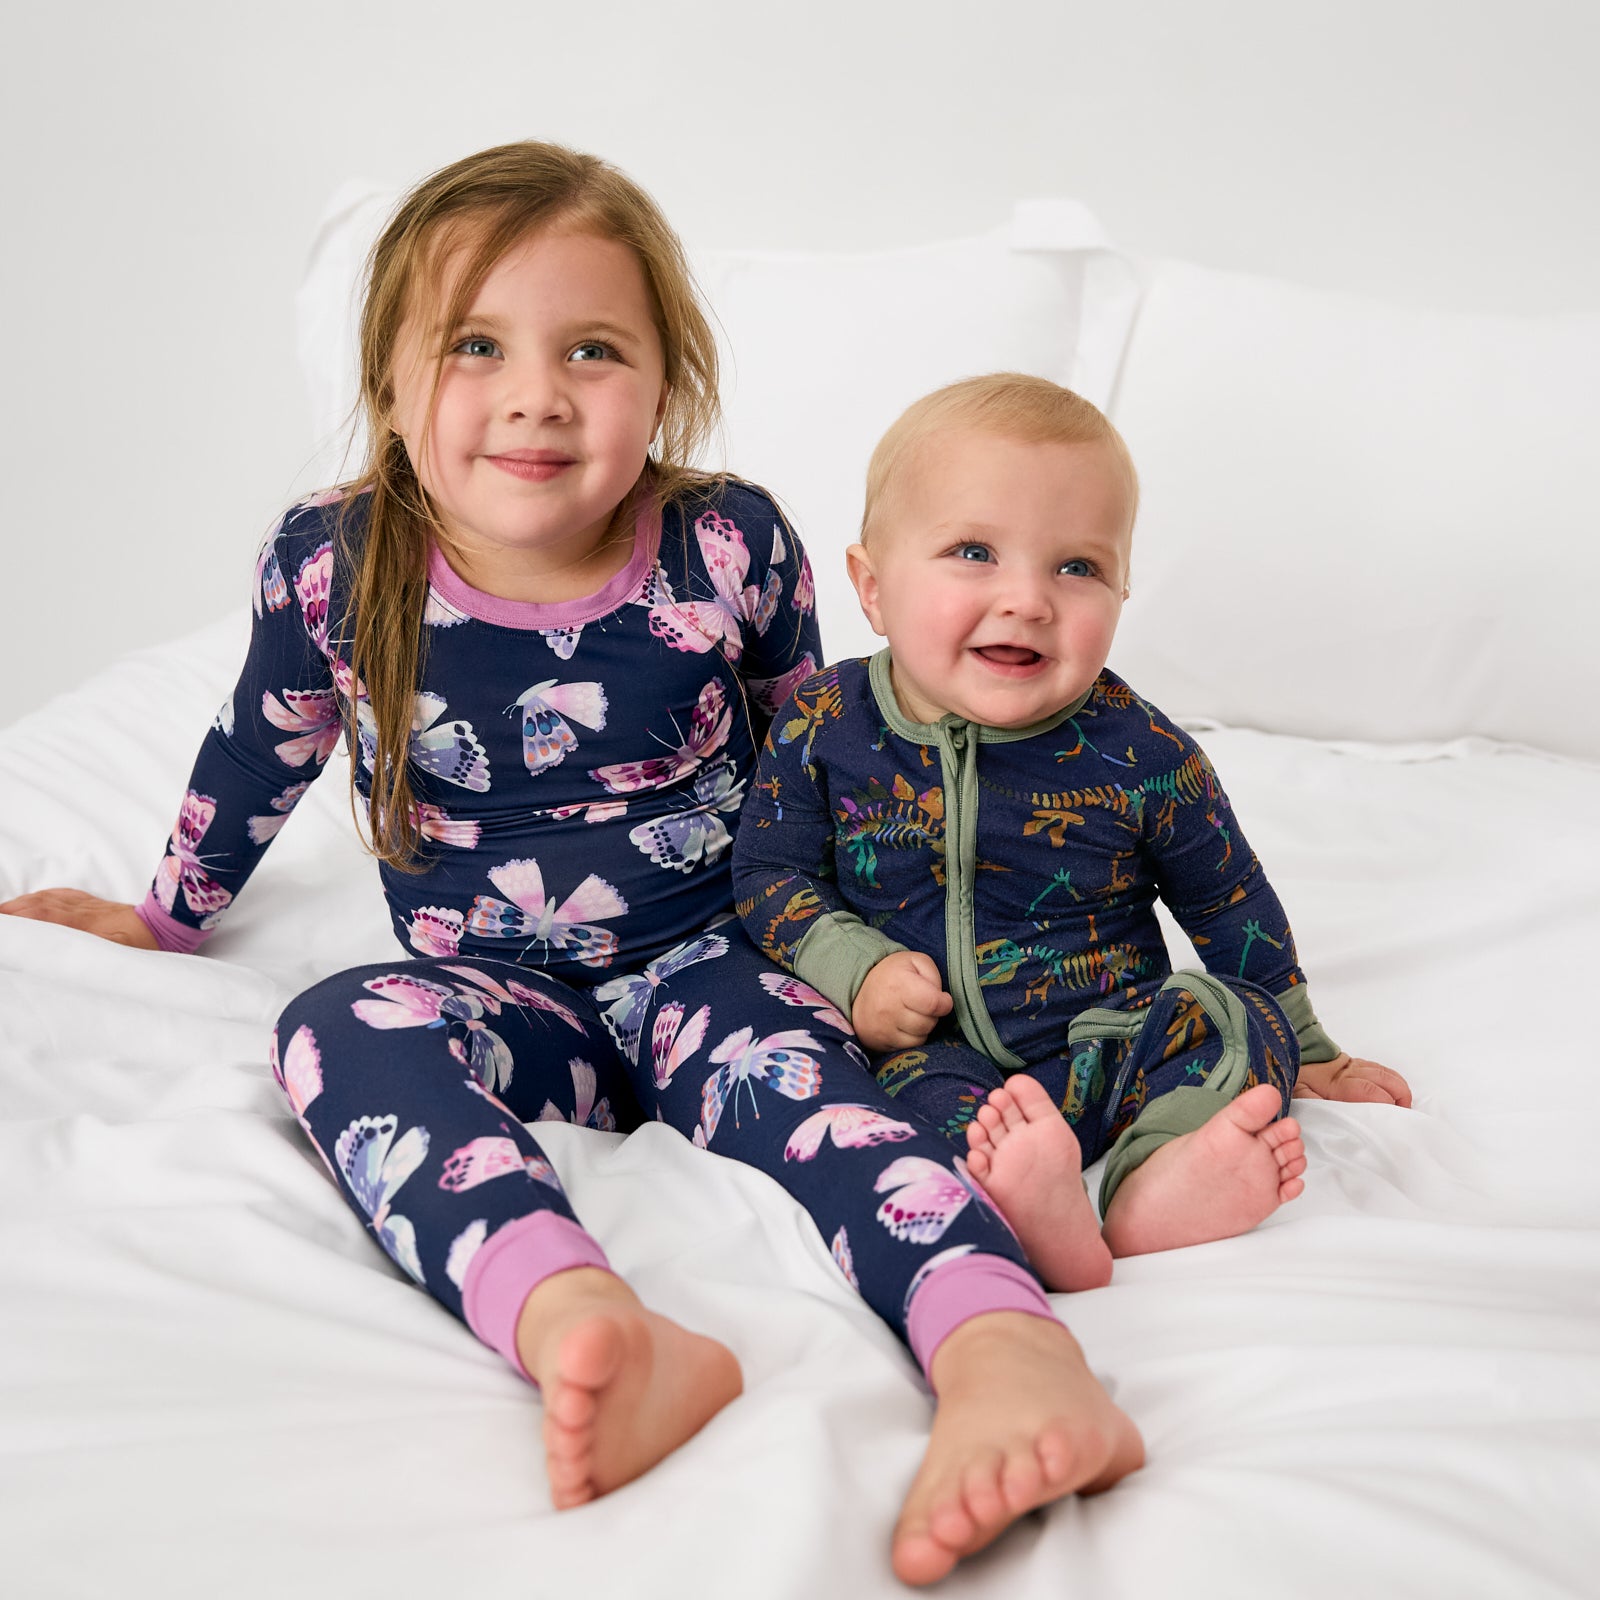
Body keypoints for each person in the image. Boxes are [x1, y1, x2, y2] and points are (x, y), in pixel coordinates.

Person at [0, 148, 1141, 1586]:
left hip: (716, 960)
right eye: (477, 345)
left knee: (840, 1116)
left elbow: (821, 750)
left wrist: (875, 947)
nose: (536, 392)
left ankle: (1005, 1351)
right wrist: (166, 920)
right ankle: (574, 1316)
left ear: (664, 382)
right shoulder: (333, 566)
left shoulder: (725, 543)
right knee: (334, 1028)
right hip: (497, 992)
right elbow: (257, 749)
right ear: (392, 379)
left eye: (590, 349)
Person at [734, 373, 1412, 1299]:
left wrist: (1310, 1042)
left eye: (1077, 567)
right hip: (935, 1053)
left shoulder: (1141, 750)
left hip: (1110, 1038)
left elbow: (1227, 896)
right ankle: (1026, 1205)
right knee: (872, 1117)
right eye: (973, 551)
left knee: (1230, 1019)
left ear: (1123, 590)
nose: (1029, 599)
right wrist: (854, 968)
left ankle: (1154, 1186)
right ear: (874, 588)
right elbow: (769, 870)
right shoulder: (825, 723)